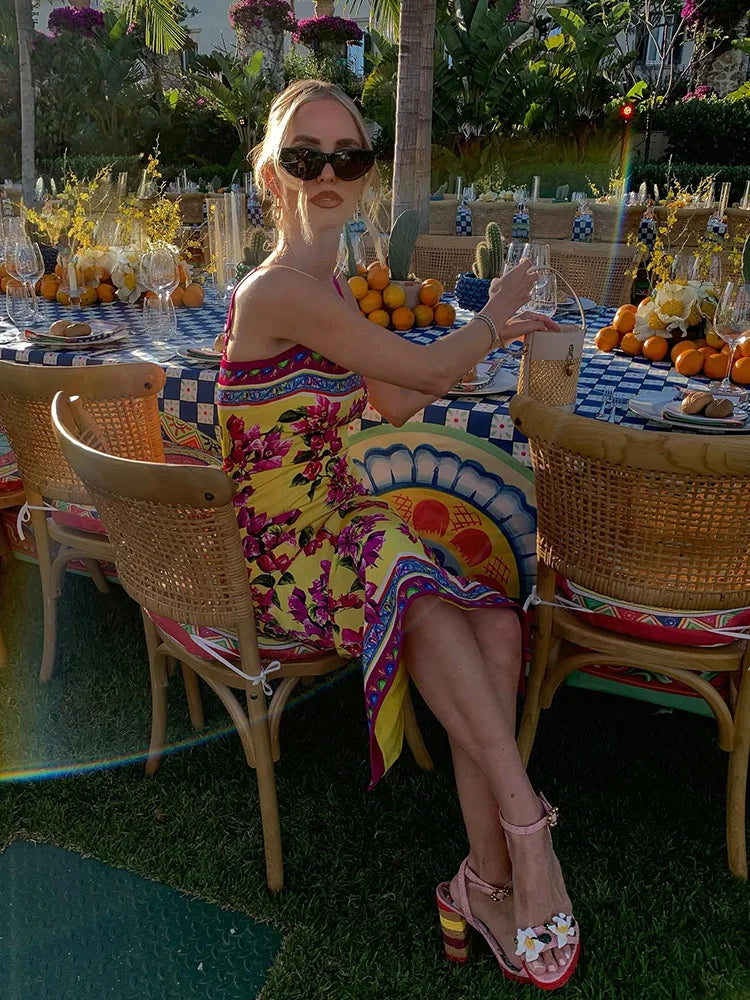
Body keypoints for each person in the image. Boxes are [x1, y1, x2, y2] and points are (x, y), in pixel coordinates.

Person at [216, 79, 579, 989]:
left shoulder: (325, 283)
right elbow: (418, 366)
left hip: (344, 524)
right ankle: (529, 838)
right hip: (285, 552)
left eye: (349, 155)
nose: (329, 172)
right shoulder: (277, 291)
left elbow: (393, 395)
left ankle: (483, 881)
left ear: (367, 173)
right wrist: (489, 318)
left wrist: (486, 343)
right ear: (271, 176)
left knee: (493, 625)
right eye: (305, 156)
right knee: (411, 579)